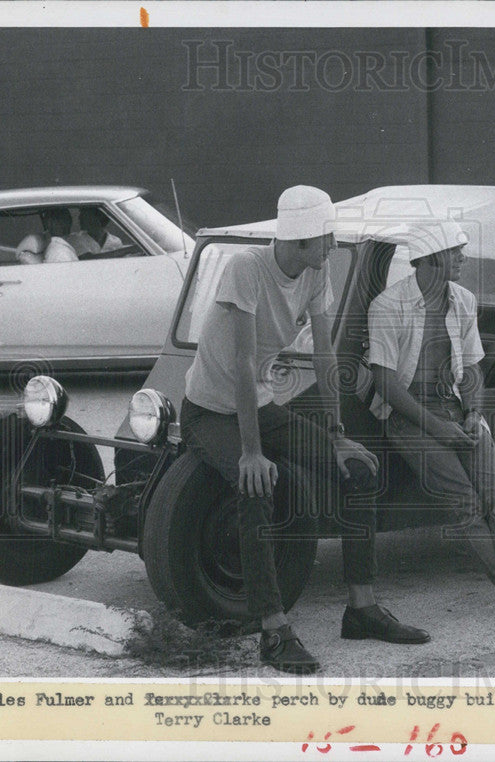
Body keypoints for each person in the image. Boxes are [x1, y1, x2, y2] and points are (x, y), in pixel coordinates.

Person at [180, 185, 429, 675]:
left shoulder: (315, 274)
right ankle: (273, 631)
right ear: (302, 240)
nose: (333, 247)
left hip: (259, 402)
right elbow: (243, 362)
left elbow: (323, 353)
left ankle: (361, 609)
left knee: (358, 471)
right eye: (327, 238)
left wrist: (336, 434)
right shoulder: (246, 270)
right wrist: (251, 453)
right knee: (257, 487)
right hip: (209, 411)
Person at [367, 220, 495, 619]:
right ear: (429, 259)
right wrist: (438, 427)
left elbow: (473, 367)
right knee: (465, 504)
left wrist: (473, 413)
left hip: (455, 411)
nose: (463, 257)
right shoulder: (388, 306)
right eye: (454, 251)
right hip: (407, 418)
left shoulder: (462, 299)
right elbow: (385, 384)